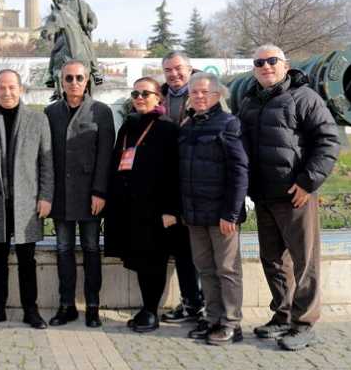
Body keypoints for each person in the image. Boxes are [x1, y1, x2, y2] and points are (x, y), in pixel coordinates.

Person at [237, 45, 340, 351]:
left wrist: (308, 182)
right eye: (259, 62)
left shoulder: (304, 97)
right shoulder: (250, 100)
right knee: (272, 259)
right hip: (264, 195)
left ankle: (304, 323)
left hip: (295, 195)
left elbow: (328, 141)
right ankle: (282, 316)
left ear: (285, 65)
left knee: (304, 262)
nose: (266, 66)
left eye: (272, 61)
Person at [0, 69, 53, 329]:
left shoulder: (37, 120)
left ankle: (31, 309)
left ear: (21, 89)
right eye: (2, 87)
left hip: (27, 203)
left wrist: (45, 196)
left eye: (11, 87)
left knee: (27, 259)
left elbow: (46, 163)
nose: (7, 92)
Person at [104, 77, 180, 334]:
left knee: (154, 259)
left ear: (159, 97)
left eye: (145, 93)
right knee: (138, 258)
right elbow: (118, 160)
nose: (139, 97)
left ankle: (151, 310)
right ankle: (145, 309)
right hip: (129, 206)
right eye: (135, 93)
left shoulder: (168, 128)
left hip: (156, 208)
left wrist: (171, 209)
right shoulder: (129, 125)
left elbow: (175, 172)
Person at [179, 73, 249, 346]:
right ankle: (213, 318)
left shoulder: (229, 124)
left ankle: (232, 323)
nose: (198, 96)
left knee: (227, 269)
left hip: (222, 215)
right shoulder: (187, 126)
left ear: (217, 95)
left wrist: (231, 213)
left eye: (204, 92)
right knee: (206, 269)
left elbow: (239, 171)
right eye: (193, 92)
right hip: (195, 214)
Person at [44, 60, 114, 327]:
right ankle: (66, 305)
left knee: (91, 248)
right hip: (61, 195)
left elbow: (105, 155)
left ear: (87, 81)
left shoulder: (101, 111)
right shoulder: (51, 112)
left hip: (89, 196)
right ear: (62, 82)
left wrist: (99, 191)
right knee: (63, 249)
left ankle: (93, 305)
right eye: (69, 78)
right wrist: (46, 195)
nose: (74, 83)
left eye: (79, 78)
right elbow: (46, 157)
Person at [155, 50, 205, 324]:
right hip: (171, 184)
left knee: (202, 250)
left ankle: (209, 306)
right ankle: (191, 303)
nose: (174, 74)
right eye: (168, 70)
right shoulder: (159, 98)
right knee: (182, 249)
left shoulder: (204, 94)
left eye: (178, 69)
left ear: (189, 68)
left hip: (198, 183)